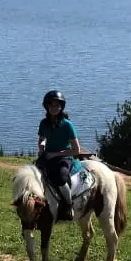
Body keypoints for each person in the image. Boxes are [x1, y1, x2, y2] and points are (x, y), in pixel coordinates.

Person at [36, 90, 83, 221]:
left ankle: (68, 204)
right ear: (47, 107)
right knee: (34, 173)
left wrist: (55, 154)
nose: (54, 108)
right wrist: (41, 147)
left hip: (65, 157)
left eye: (57, 105)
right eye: (51, 105)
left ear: (61, 107)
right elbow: (41, 139)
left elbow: (76, 150)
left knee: (61, 177)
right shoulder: (44, 123)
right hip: (48, 155)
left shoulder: (68, 125)